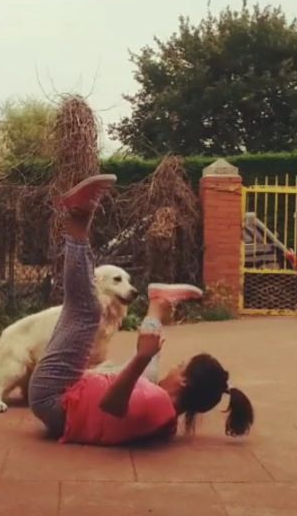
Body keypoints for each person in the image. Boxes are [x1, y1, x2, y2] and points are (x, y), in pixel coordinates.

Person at [28, 174, 254, 445]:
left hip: (54, 397)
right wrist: (143, 359)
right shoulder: (164, 412)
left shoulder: (157, 405)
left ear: (184, 381)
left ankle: (77, 220)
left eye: (181, 366)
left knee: (87, 312)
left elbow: (111, 406)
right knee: (147, 373)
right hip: (72, 395)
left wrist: (142, 358)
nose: (175, 367)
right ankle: (157, 304)